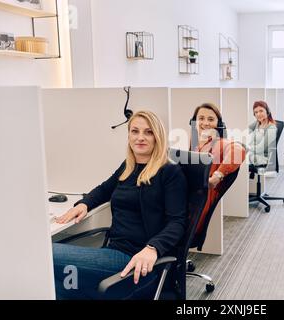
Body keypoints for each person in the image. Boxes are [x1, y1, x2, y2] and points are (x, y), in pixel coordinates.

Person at [52, 111, 187, 299]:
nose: (140, 137)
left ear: (158, 137)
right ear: (128, 135)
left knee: (43, 251)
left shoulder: (170, 172)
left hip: (134, 259)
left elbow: (177, 222)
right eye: (135, 131)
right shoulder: (129, 166)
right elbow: (104, 189)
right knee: (57, 283)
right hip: (112, 252)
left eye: (148, 132)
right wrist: (84, 204)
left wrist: (152, 248)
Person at [190, 103, 245, 239]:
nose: (205, 123)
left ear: (218, 123)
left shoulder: (219, 142)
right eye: (201, 118)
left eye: (210, 119)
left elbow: (239, 150)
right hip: (190, 195)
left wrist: (217, 175)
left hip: (198, 201)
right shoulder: (196, 141)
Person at [248, 100, 277, 169]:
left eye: (261, 111)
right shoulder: (258, 123)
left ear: (267, 111)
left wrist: (247, 147)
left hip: (264, 157)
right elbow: (246, 131)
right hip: (254, 153)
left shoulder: (271, 128)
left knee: (239, 156)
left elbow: (260, 148)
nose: (258, 114)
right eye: (256, 112)